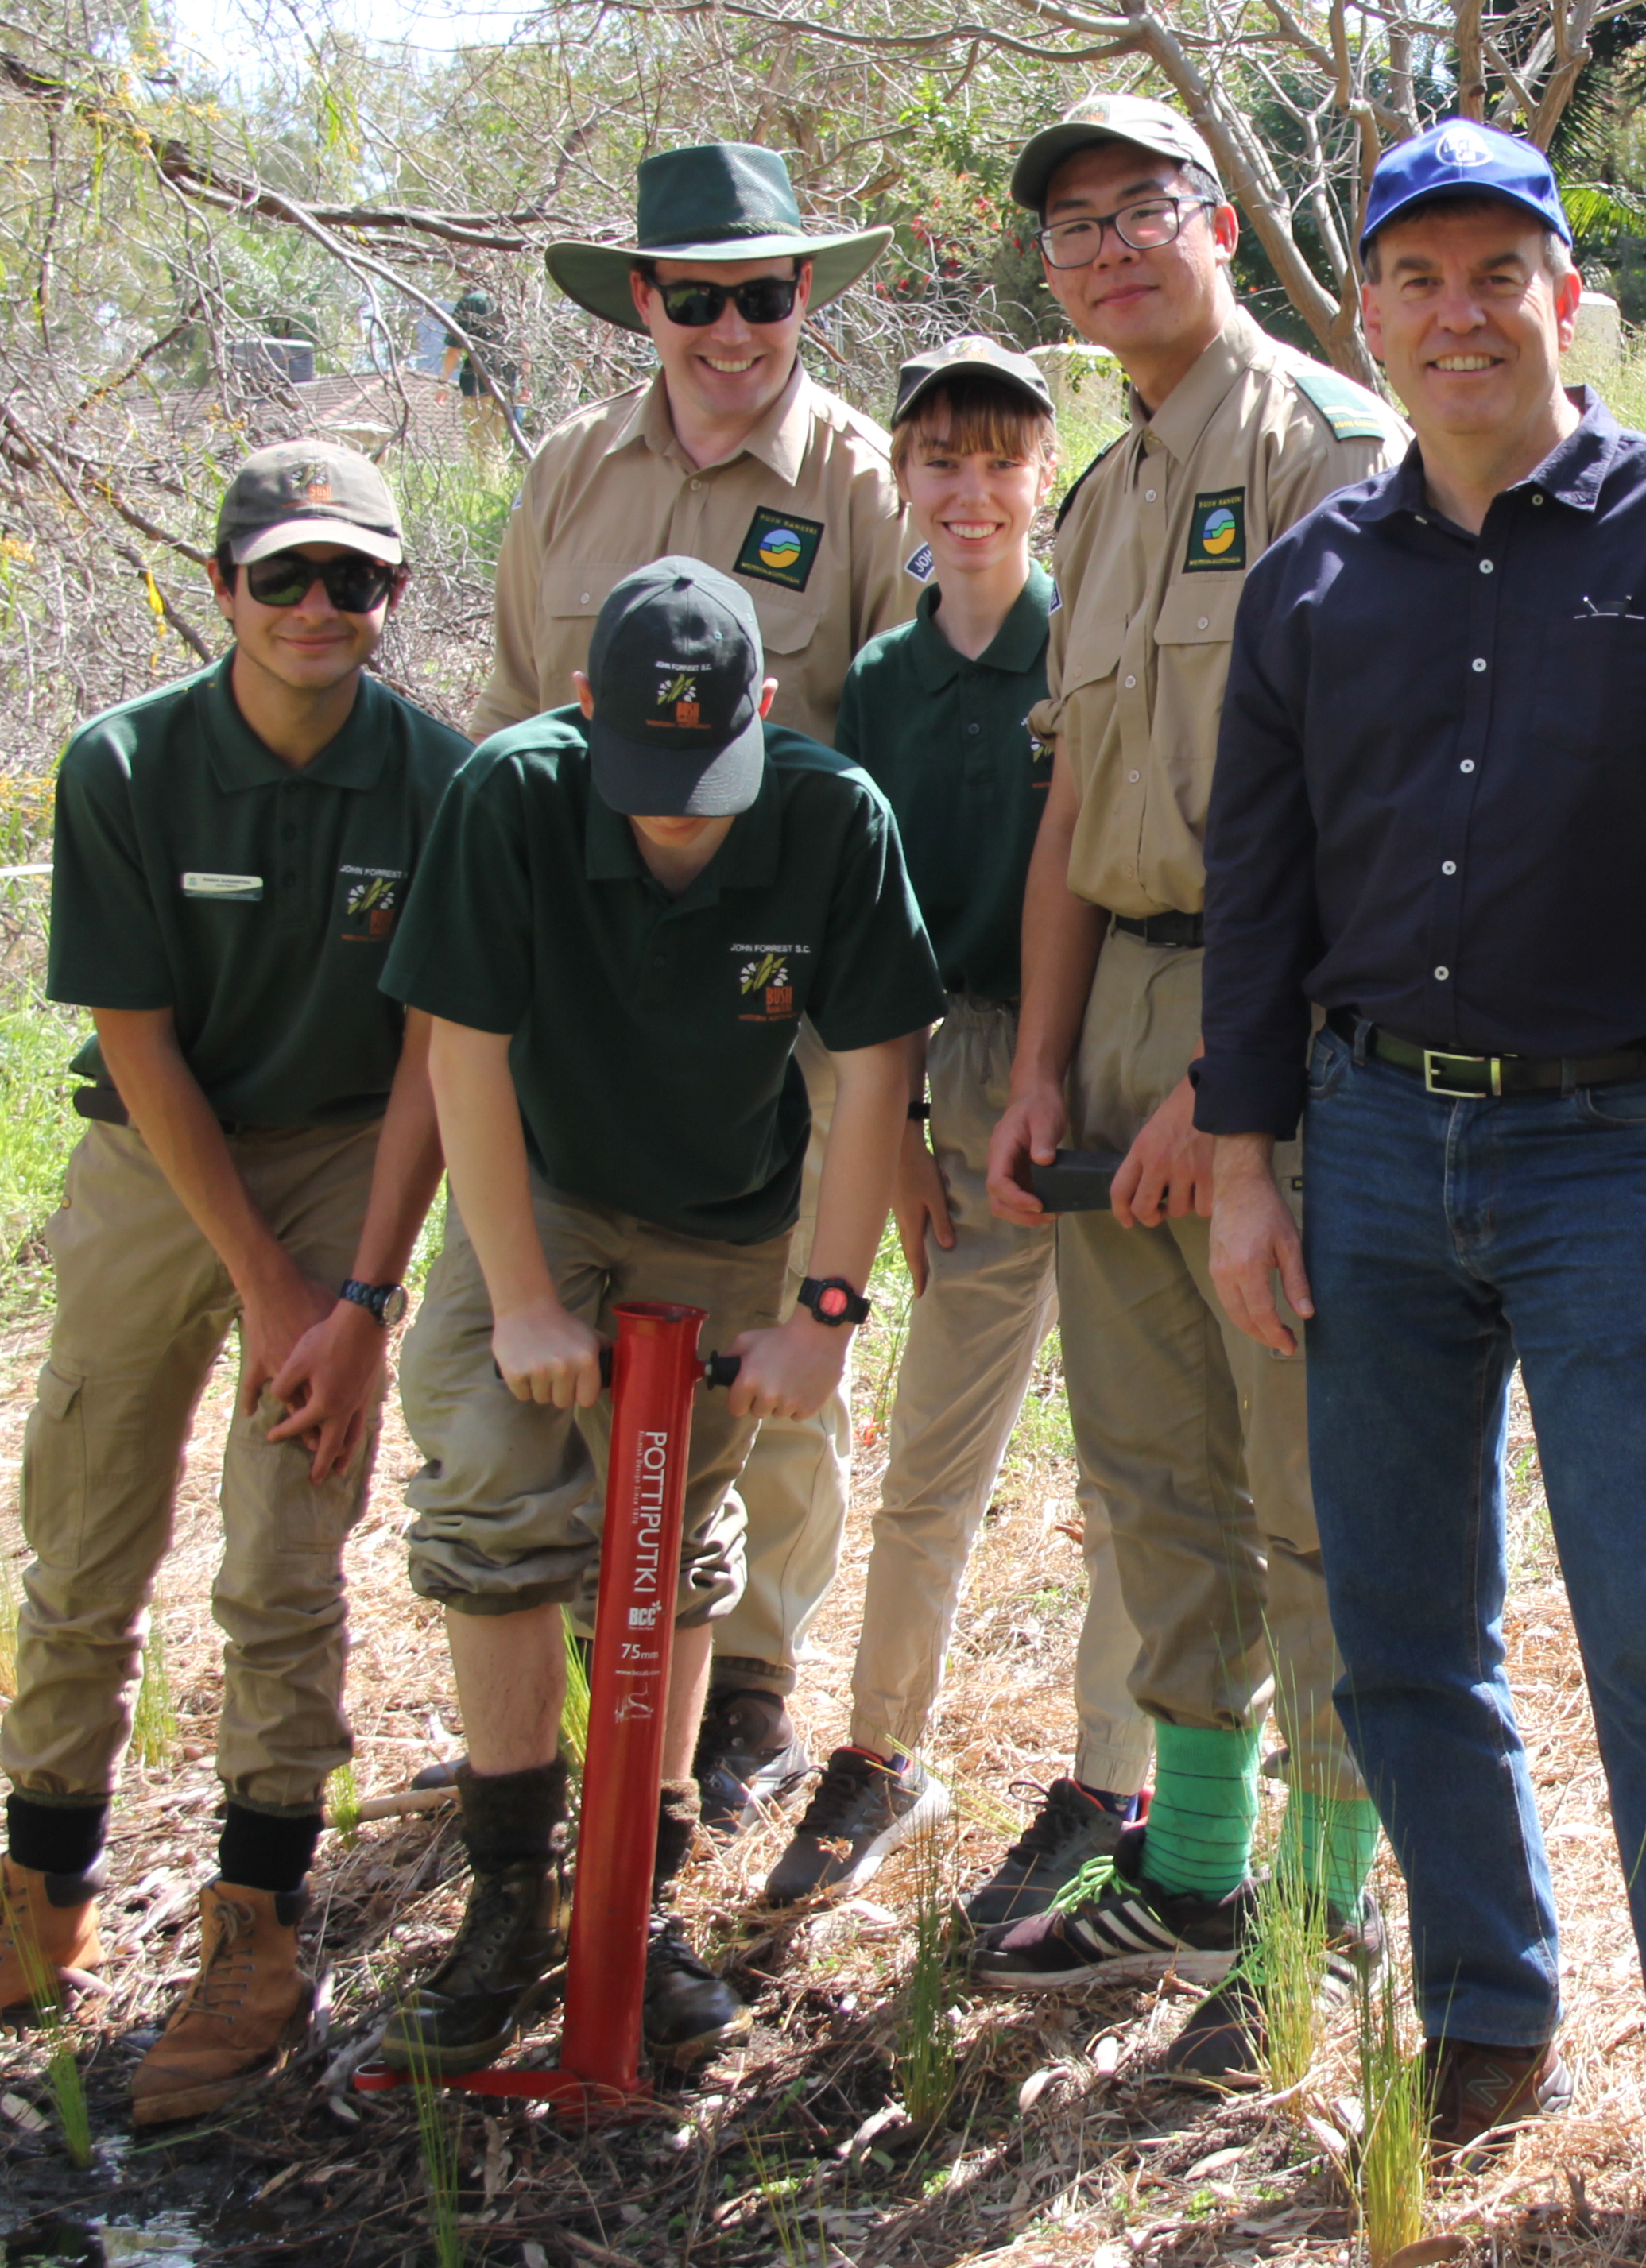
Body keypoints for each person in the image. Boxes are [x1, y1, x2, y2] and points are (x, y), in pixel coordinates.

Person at [1199, 121, 1646, 2255]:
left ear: (1564, 295)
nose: (1457, 314)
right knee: (1398, 1615)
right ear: (1362, 311)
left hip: (1618, 1143)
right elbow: (1257, 897)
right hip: (1372, 1142)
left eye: (1499, 274)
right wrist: (1245, 1169)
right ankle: (1489, 2002)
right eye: (1417, 279)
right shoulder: (1311, 581)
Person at [0, 445, 460, 2124]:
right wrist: (262, 1285)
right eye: (288, 578)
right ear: (223, 590)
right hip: (158, 1158)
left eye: (358, 581)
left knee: (283, 1563)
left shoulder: (439, 780)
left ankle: (255, 1928)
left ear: (392, 599)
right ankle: (37, 1898)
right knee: (86, 1534)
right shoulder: (122, 764)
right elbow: (137, 1037)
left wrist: (357, 1297)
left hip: (347, 1162)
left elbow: (431, 1059)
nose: (323, 609)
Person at [968, 96, 1406, 2076]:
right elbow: (1073, 791)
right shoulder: (1104, 489)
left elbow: (1361, 807)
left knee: (1306, 1480)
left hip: (1276, 1033)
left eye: (1138, 208)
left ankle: (1325, 1905)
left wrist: (1235, 1087)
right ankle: (1199, 1863)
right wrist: (1042, 1062)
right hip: (1119, 1016)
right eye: (1070, 225)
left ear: (1215, 220)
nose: (1106, 247)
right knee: (1149, 1476)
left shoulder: (1322, 446)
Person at [374, 558, 941, 2073]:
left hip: (724, 1211)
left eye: (711, 770)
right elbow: (465, 1057)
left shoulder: (833, 818)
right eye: (645, 772)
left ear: (765, 707)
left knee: (672, 1525)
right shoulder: (507, 797)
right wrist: (515, 1299)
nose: (680, 805)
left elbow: (876, 1070)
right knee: (493, 1488)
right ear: (581, 714)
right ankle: (511, 1890)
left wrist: (825, 1311)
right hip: (542, 1188)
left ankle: (637, 1891)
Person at [481, 141, 921, 1836]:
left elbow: (880, 752)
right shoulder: (569, 476)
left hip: (786, 1001)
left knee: (768, 1357)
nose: (730, 330)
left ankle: (741, 1686)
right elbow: (523, 714)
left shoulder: (866, 484)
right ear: (643, 302)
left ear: (804, 295)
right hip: (596, 985)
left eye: (763, 294)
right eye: (695, 297)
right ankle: (587, 1708)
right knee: (557, 1350)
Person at [759, 337, 1151, 1909]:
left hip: (1109, 1068)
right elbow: (864, 934)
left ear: (1041, 476)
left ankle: (1111, 1782)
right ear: (903, 480)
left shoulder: (1087, 645)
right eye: (943, 461)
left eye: (1001, 461)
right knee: (933, 1448)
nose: (972, 492)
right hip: (957, 1067)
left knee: (1133, 1460)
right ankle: (877, 1747)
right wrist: (904, 1127)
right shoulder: (880, 680)